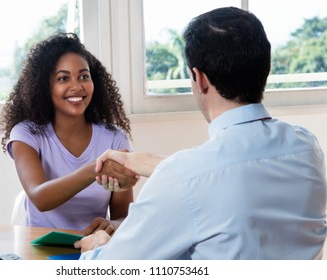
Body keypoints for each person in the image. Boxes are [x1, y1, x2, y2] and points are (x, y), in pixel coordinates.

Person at [75, 7, 327, 259]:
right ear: (266, 68)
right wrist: (144, 162)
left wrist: (96, 248)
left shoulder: (184, 177)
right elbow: (231, 174)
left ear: (199, 78)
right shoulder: (307, 147)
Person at [0, 33, 139, 235]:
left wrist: (114, 225)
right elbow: (40, 198)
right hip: (40, 251)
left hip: (93, 250)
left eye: (84, 76)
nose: (76, 86)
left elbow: (123, 216)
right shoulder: (26, 134)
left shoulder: (115, 139)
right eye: (63, 78)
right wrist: (96, 169)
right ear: (45, 86)